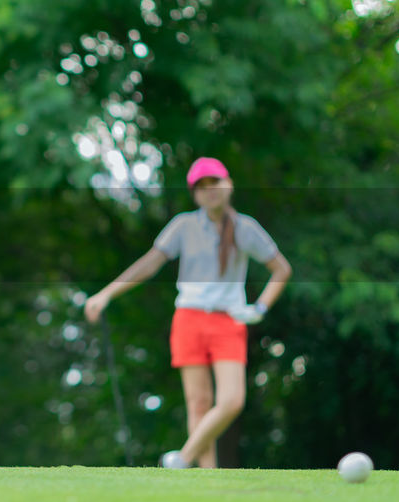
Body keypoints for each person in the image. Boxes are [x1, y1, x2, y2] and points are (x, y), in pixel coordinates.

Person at [84, 157, 292, 468]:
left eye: (215, 183)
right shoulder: (183, 225)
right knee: (199, 404)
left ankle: (181, 459)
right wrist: (106, 293)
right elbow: (149, 264)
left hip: (229, 320)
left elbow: (281, 270)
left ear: (228, 184)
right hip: (189, 319)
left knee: (232, 401)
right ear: (195, 194)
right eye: (202, 187)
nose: (210, 191)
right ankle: (206, 479)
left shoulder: (246, 229)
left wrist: (259, 308)